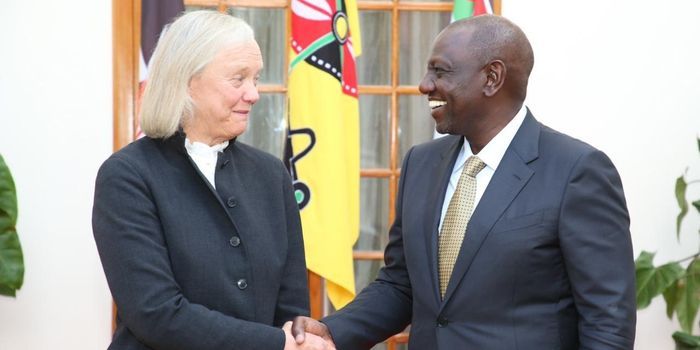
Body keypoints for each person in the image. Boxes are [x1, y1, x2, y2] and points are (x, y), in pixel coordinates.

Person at [292, 14, 636, 349]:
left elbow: (607, 322)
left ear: (492, 78)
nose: (424, 85)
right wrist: (331, 333)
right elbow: (401, 284)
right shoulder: (420, 163)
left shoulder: (577, 171)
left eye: (440, 72)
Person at [93, 11, 330, 350]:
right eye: (238, 79)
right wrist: (274, 344)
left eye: (256, 78)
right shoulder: (127, 176)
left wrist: (295, 339)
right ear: (187, 81)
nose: (254, 94)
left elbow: (291, 309)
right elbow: (156, 313)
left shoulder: (271, 174)